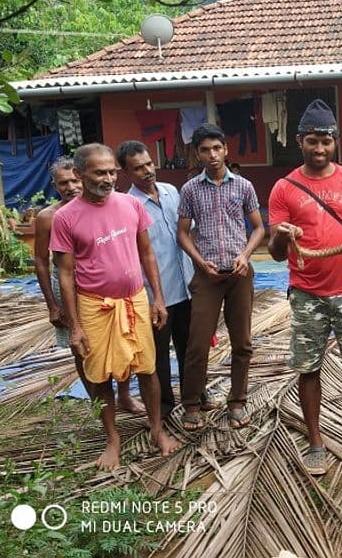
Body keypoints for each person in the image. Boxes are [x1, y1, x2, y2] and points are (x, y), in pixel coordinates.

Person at [268, 99, 342, 476]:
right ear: (299, 141)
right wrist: (283, 237)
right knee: (309, 369)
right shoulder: (283, 188)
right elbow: (274, 253)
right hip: (306, 294)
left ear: (336, 142)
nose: (319, 148)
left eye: (326, 141)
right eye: (311, 141)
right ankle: (315, 442)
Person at [50, 143, 180, 470]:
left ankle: (156, 429)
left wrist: (158, 299)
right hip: (94, 307)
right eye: (100, 173)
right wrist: (75, 325)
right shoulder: (64, 218)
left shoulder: (130, 205)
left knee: (148, 368)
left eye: (112, 172)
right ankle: (112, 439)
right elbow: (65, 274)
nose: (108, 179)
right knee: (99, 376)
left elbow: (147, 254)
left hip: (135, 300)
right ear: (79, 175)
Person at [35, 158, 144, 414]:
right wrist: (52, 305)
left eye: (74, 180)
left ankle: (125, 396)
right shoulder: (48, 217)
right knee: (81, 347)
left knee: (120, 339)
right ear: (54, 185)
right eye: (64, 183)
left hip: (101, 287)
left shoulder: (106, 207)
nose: (71, 186)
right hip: (67, 286)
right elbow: (41, 262)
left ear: (83, 176)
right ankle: (100, 404)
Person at [177, 124, 265, 430]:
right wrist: (200, 262)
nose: (212, 155)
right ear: (197, 153)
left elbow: (259, 228)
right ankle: (191, 403)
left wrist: (246, 255)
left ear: (226, 149)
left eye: (217, 148)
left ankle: (237, 401)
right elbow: (183, 234)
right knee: (198, 342)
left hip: (239, 274)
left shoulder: (243, 186)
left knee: (242, 342)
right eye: (205, 150)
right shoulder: (189, 190)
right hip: (208, 276)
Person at [118, 140, 208, 419]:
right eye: (138, 168)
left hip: (187, 287)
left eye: (148, 164)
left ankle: (195, 396)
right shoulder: (127, 205)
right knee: (158, 356)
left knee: (190, 348)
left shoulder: (171, 192)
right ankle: (165, 407)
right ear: (126, 173)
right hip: (154, 295)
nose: (147, 171)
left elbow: (188, 233)